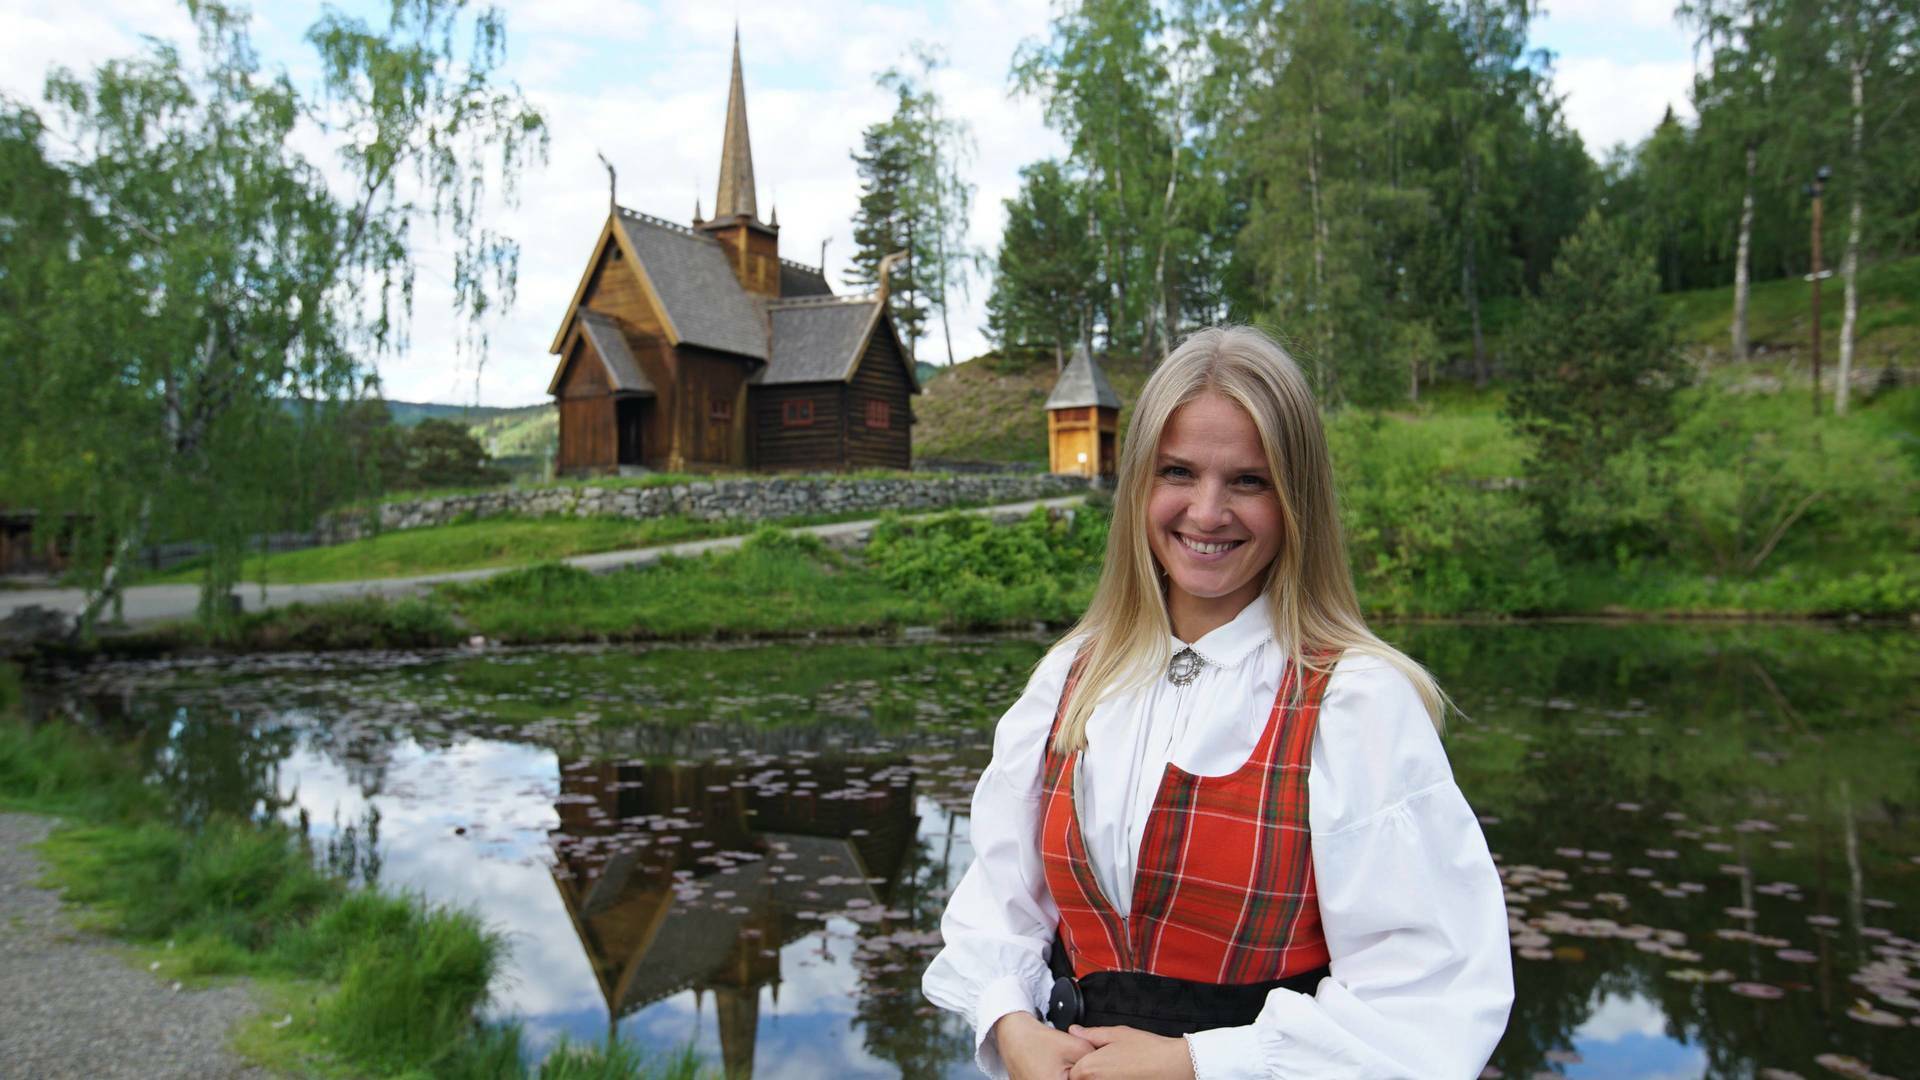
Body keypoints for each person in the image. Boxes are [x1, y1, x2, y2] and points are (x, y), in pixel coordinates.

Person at [922, 327, 1512, 1079]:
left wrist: (1203, 1061)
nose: (1206, 512)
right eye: (1178, 471)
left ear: (1296, 498)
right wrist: (1010, 1020)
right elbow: (1001, 898)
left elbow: (1429, 995)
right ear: (1139, 482)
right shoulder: (1072, 678)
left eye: (1248, 481)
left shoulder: (1353, 703)